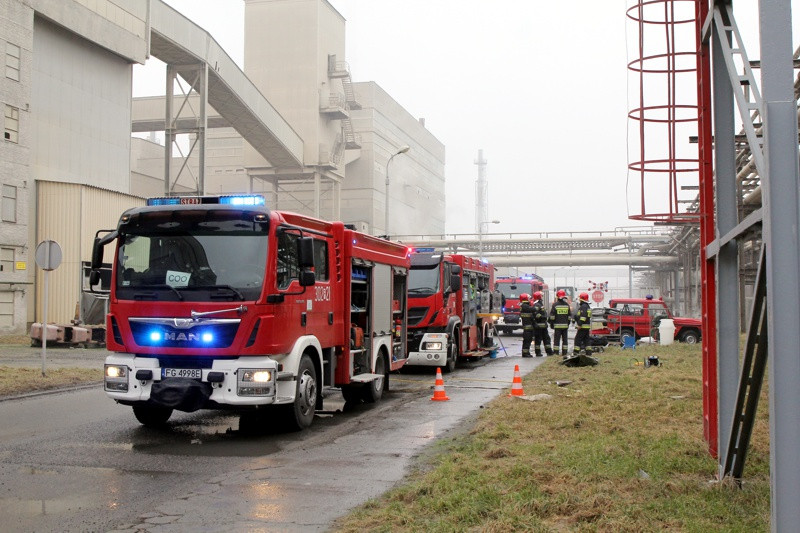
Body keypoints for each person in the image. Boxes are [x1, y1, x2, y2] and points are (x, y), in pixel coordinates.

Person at [548, 289, 572, 356]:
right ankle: (564, 352)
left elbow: (552, 316)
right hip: (565, 326)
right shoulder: (567, 305)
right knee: (565, 340)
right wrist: (568, 323)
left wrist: (551, 324)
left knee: (557, 340)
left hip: (557, 326)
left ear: (557, 296)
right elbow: (569, 316)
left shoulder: (555, 305)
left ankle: (556, 353)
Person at [531, 291, 553, 356]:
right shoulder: (537, 305)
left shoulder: (540, 304)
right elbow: (535, 314)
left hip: (543, 326)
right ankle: (538, 352)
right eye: (541, 296)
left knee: (546, 339)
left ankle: (549, 352)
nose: (542, 297)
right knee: (538, 340)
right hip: (539, 326)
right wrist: (543, 317)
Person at [519, 293, 534, 357]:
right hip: (527, 328)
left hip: (528, 327)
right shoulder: (525, 306)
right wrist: (537, 307)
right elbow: (532, 309)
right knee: (527, 341)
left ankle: (526, 352)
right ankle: (525, 353)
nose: (529, 299)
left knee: (528, 341)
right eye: (528, 298)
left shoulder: (524, 306)